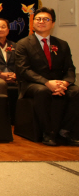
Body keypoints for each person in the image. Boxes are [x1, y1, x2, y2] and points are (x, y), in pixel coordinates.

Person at [15, 7, 79, 146]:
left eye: (46, 19)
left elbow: (69, 68)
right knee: (42, 91)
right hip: (33, 83)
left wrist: (65, 83)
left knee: (76, 92)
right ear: (33, 22)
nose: (41, 22)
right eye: (38, 19)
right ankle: (49, 132)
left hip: (58, 83)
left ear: (53, 23)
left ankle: (67, 130)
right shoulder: (23, 44)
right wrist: (46, 82)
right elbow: (24, 70)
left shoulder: (62, 44)